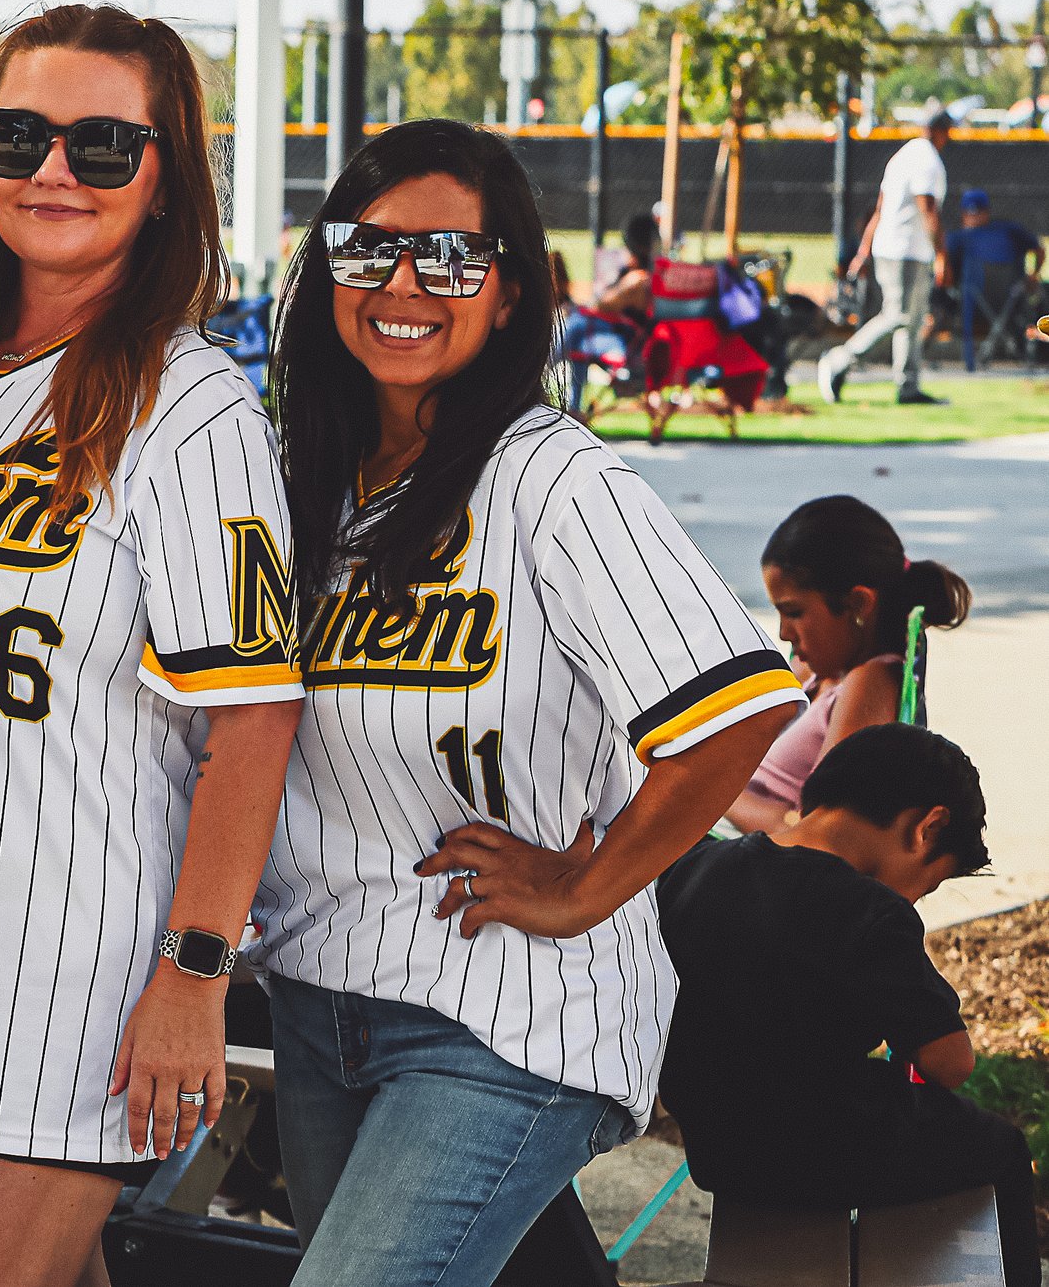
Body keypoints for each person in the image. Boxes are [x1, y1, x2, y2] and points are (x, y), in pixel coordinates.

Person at [254, 118, 806, 1287]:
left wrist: (586, 885)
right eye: (369, 250)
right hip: (317, 994)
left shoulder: (552, 477)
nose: (405, 284)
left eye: (452, 258)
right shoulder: (297, 480)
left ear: (508, 294)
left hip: (502, 1012)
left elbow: (739, 708)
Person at [0, 5, 304, 1287]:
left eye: (102, 146)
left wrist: (195, 973)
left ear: (167, 172)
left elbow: (252, 715)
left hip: (70, 982)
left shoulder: (188, 403)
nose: (52, 172)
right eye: (18, 134)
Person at [660, 724, 1035, 1287]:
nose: (913, 897)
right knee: (1001, 1145)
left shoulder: (697, 868)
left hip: (717, 1150)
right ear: (926, 828)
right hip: (819, 1151)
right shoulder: (868, 910)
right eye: (927, 885)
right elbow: (950, 1064)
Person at [730, 495, 971, 834]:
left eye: (795, 613)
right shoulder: (815, 670)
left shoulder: (867, 682)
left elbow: (819, 829)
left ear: (858, 603)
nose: (784, 634)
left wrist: (715, 790)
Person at [822, 111, 952, 405]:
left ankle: (908, 387)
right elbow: (928, 208)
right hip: (903, 250)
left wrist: (864, 250)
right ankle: (838, 360)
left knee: (912, 321)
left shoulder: (901, 156)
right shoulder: (926, 159)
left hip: (898, 248)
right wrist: (942, 254)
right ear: (943, 132)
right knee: (898, 316)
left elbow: (880, 208)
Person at [556, 211, 655, 417]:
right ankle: (574, 409)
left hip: (629, 349)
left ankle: (538, 367)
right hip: (627, 340)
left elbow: (600, 305)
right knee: (579, 337)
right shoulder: (643, 275)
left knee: (577, 326)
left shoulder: (637, 280)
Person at [942, 188, 1043, 370]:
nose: (973, 217)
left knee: (960, 289)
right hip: (1009, 303)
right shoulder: (1009, 230)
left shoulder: (960, 237)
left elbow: (944, 269)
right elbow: (1039, 249)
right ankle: (1026, 356)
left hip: (981, 303)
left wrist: (1033, 277)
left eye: (975, 213)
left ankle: (969, 360)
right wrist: (1034, 276)